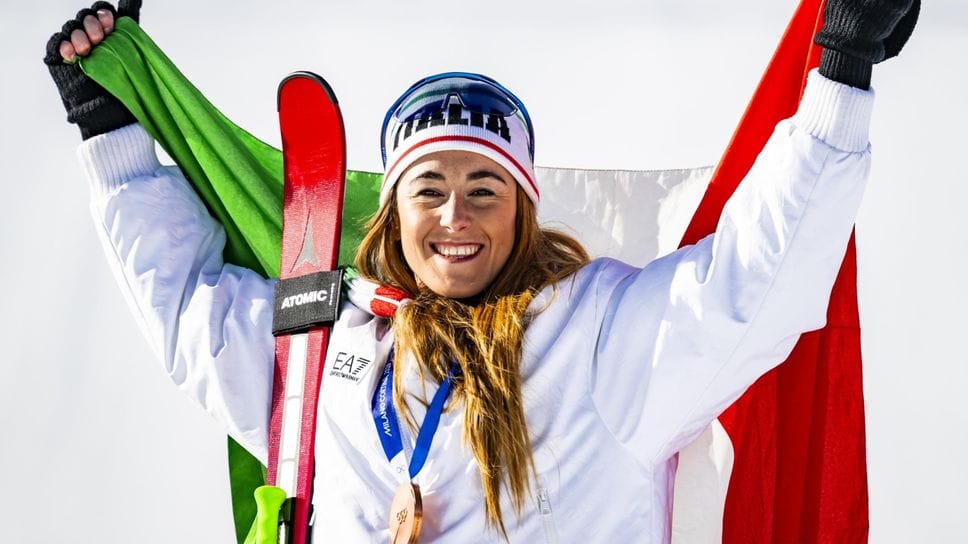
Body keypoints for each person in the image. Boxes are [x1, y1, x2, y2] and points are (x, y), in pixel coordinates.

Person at [45, 0, 919, 541]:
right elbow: (187, 311)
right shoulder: (319, 344)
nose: (456, 217)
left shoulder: (598, 335)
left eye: (484, 190)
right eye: (430, 188)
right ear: (394, 213)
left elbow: (749, 286)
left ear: (524, 209)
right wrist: (109, 131)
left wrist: (839, 75)